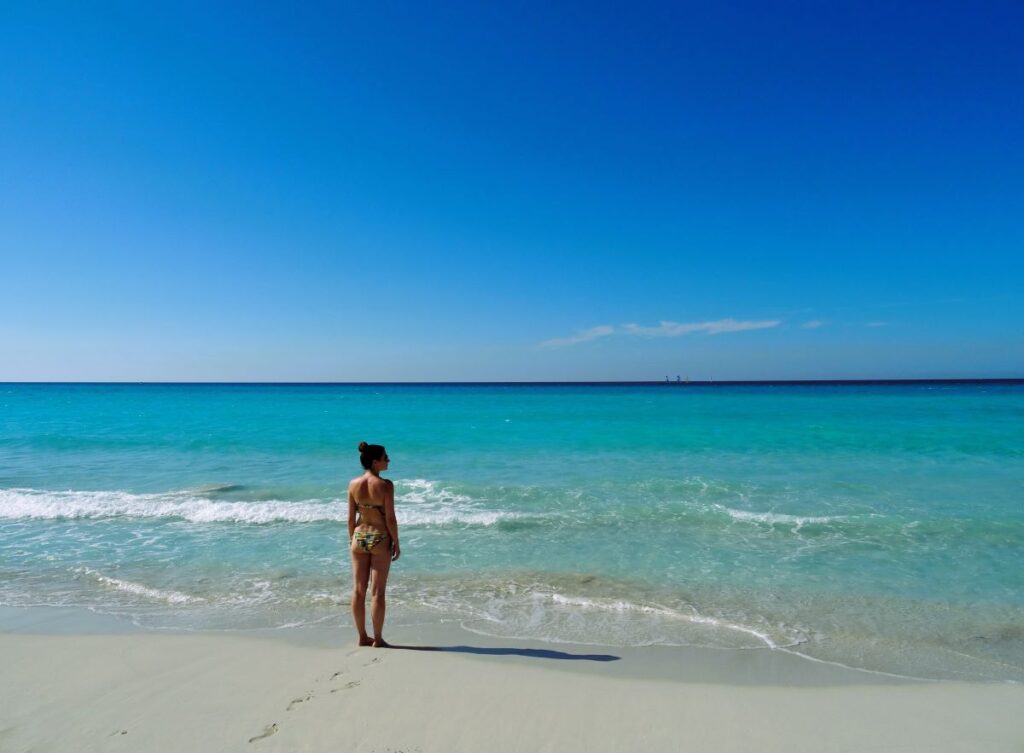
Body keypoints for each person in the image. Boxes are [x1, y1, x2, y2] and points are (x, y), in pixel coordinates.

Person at [348, 441, 400, 647]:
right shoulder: (385, 485)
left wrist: (351, 540)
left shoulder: (353, 484)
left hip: (359, 537)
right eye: (385, 457)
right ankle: (377, 639)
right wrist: (396, 542)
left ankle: (362, 636)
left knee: (358, 590)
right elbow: (391, 519)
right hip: (380, 538)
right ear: (375, 462)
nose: (388, 460)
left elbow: (350, 519)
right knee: (377, 592)